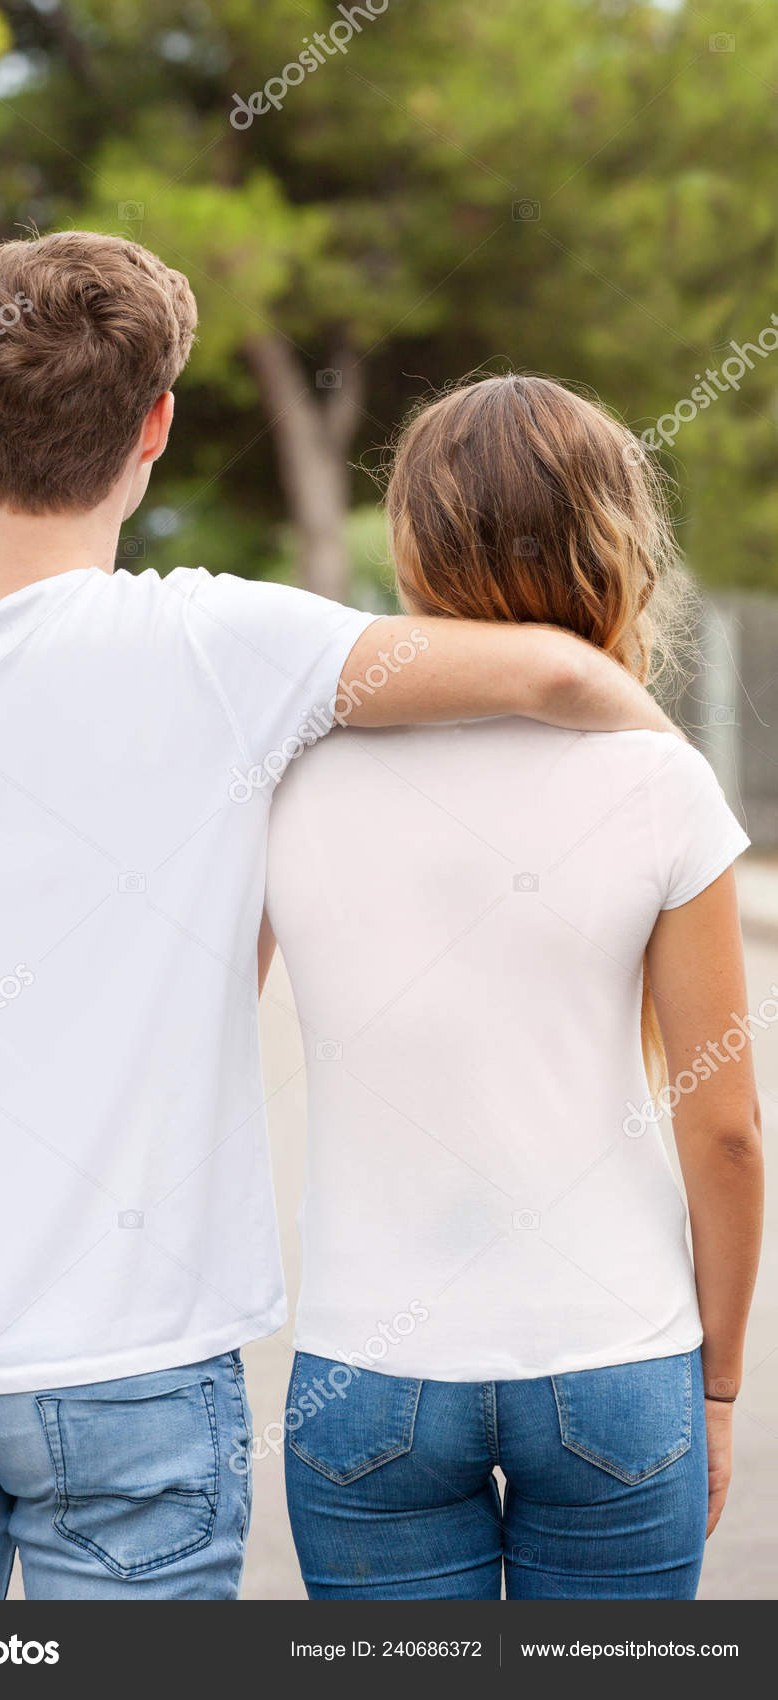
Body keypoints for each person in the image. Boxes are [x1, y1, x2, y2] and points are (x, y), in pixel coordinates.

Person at [0, 242, 676, 1601]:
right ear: (155, 424)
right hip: (136, 1375)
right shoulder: (227, 647)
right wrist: (667, 794)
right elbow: (548, 671)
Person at [264, 373, 764, 1600]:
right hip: (612, 1358)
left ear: (413, 544)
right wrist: (718, 1381)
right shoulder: (654, 775)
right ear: (611, 539)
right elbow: (727, 1128)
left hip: (360, 1370)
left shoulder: (290, 774)